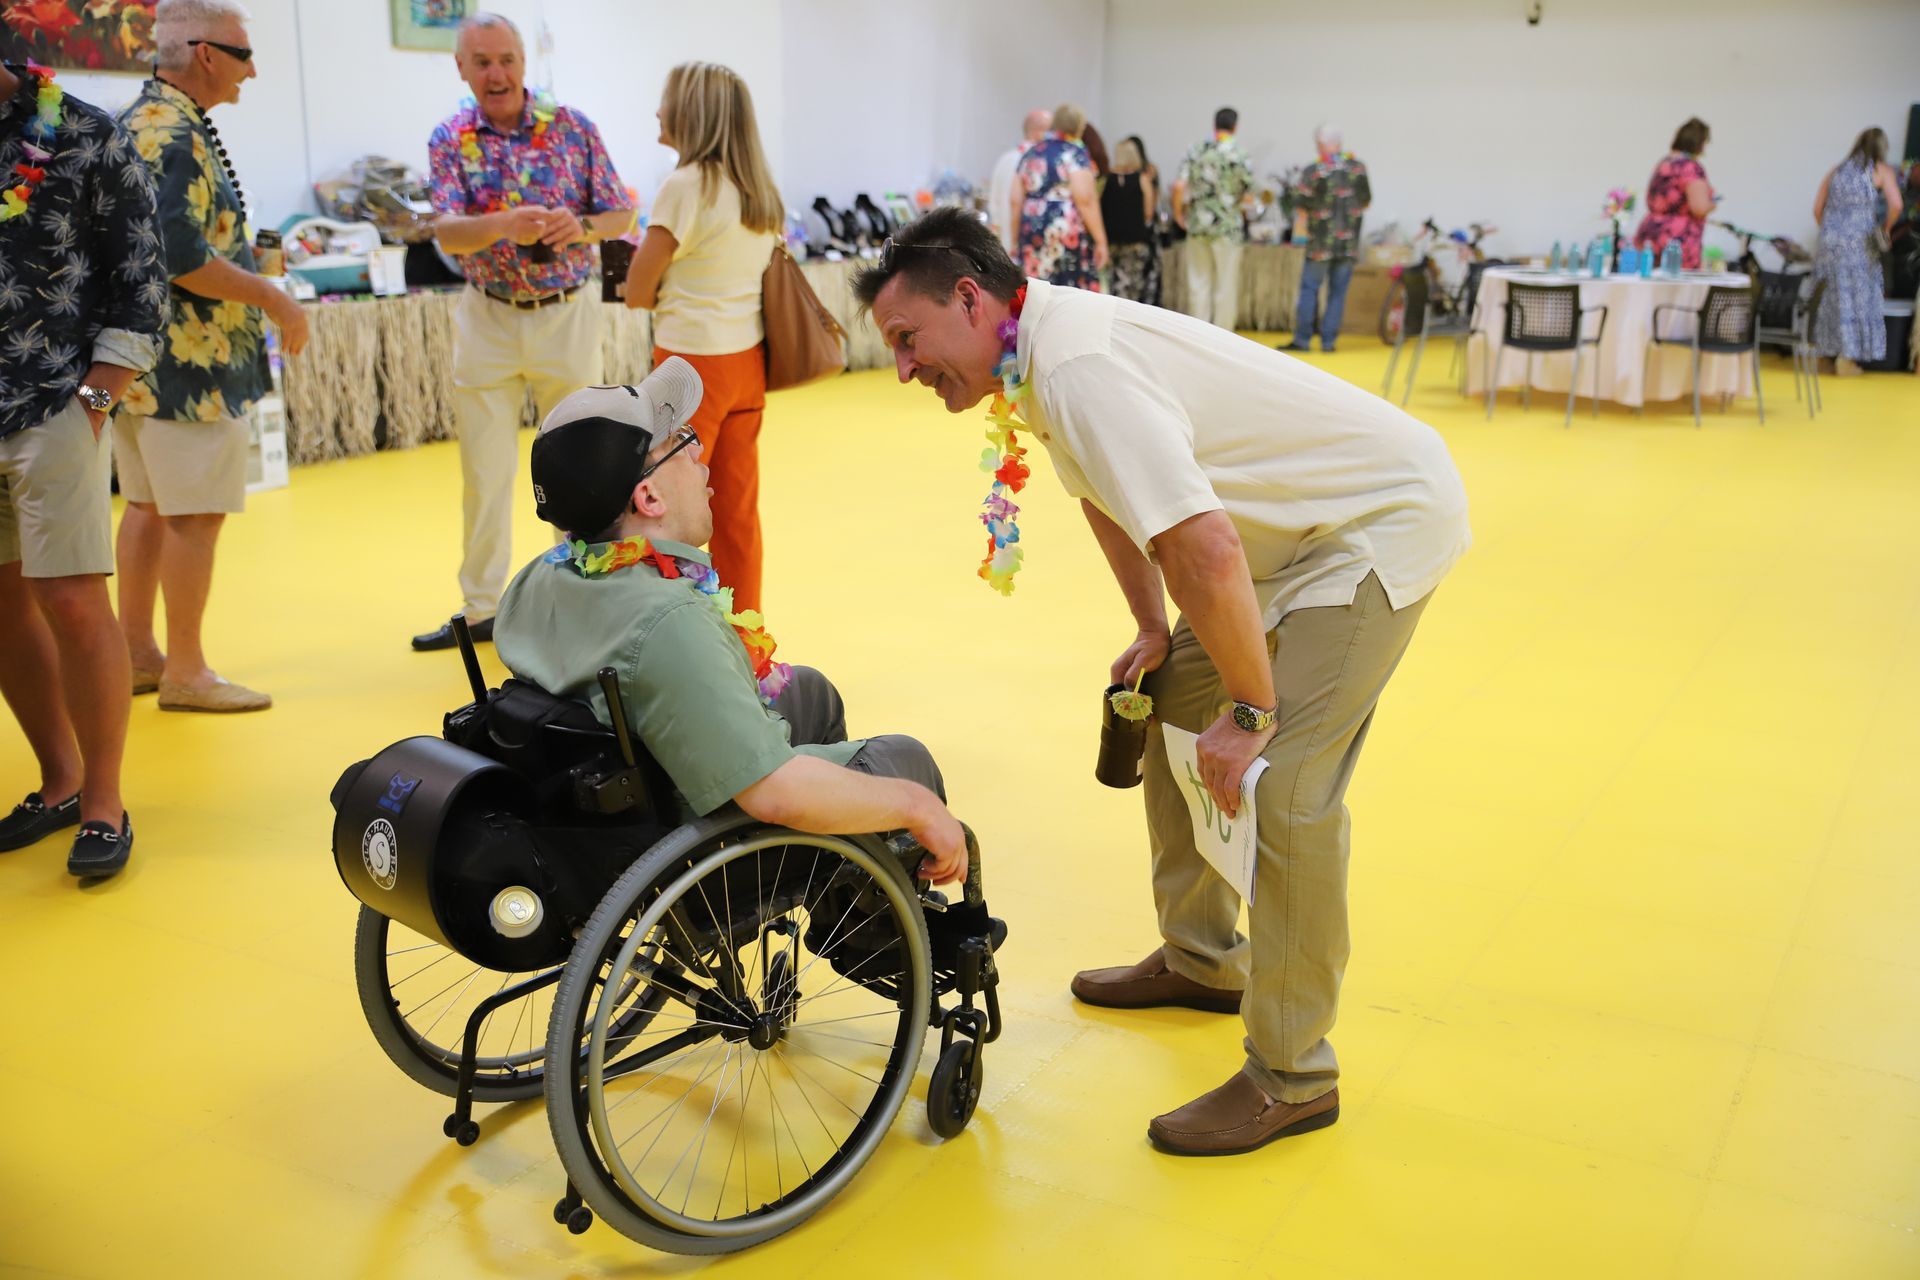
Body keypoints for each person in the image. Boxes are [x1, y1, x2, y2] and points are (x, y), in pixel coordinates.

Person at [854, 209, 1470, 1156]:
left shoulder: (1075, 365)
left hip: (1371, 524)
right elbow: (1107, 503)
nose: (903, 367)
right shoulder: (1035, 350)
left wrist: (1254, 711)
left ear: (970, 300)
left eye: (907, 339)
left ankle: (1293, 1076)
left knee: (1284, 786)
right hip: (1284, 538)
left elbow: (1205, 548)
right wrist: (1152, 630)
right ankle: (1204, 958)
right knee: (1172, 702)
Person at [492, 370, 968, 885]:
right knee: (906, 761)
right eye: (682, 444)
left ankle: (844, 884)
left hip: (602, 804)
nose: (700, 454)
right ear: (649, 498)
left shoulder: (535, 580)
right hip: (692, 849)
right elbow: (773, 792)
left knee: (811, 694)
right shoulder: (669, 622)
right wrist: (915, 805)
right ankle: (857, 902)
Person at [113, 0, 311, 713]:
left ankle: (137, 653)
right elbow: (181, 254)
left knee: (145, 505)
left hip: (133, 364)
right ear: (205, 54)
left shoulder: (139, 119)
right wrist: (274, 298)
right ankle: (187, 671)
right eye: (243, 55)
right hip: (188, 365)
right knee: (194, 516)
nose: (251, 71)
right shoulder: (177, 135)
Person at [416, 12, 635, 652]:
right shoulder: (449, 137)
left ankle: (579, 598)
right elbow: (446, 232)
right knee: (483, 474)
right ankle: (483, 607)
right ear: (461, 68)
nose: (497, 73)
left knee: (579, 463)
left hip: (567, 314)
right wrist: (503, 225)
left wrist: (581, 226)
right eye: (482, 61)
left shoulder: (573, 126)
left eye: (507, 59)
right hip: (487, 316)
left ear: (523, 62)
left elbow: (621, 213)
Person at [0, 60, 166, 878]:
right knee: (2, 603)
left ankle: (104, 800)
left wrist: (93, 404)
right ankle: (59, 780)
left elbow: (142, 283)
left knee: (69, 598)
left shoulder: (85, 134)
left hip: (54, 402)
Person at [622, 62, 779, 614]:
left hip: (688, 370)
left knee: (661, 508)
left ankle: (666, 628)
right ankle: (746, 638)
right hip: (747, 365)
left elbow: (637, 290)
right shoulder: (758, 191)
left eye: (666, 101)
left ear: (691, 113)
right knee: (736, 513)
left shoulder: (685, 187)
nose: (658, 111)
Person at [1812, 127, 1904, 376]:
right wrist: (1885, 228)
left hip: (1829, 244)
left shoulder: (1837, 170)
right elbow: (1896, 204)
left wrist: (1832, 233)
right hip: (1859, 245)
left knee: (1828, 299)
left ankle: (1823, 358)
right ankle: (1847, 359)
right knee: (1856, 299)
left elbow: (1817, 209)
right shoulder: (1880, 170)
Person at [1287, 127, 1370, 354]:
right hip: (1348, 244)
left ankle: (1303, 339)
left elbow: (1300, 202)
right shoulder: (1357, 168)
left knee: (1309, 289)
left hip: (1319, 245)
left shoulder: (1314, 171)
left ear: (1322, 144)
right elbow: (1366, 200)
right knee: (1338, 293)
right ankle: (1328, 341)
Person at [1012, 101, 1107, 292]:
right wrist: (1101, 241)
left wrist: (1014, 239)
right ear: (1078, 127)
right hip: (1062, 227)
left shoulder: (1031, 153)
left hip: (1032, 225)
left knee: (1035, 288)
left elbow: (1015, 200)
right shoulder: (1074, 154)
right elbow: (1085, 199)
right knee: (1065, 291)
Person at [1173, 107, 1254, 329]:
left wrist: (1178, 214)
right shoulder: (1239, 153)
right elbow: (1248, 194)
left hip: (1198, 225)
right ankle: (1223, 336)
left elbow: (1179, 186)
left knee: (1198, 284)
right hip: (1228, 228)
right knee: (1225, 285)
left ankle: (1199, 335)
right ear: (1235, 126)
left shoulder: (1196, 150)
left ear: (1214, 124)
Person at [1632, 117, 1716, 271]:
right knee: (1676, 285)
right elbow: (1699, 207)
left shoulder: (1664, 163)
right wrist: (1712, 203)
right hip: (1677, 240)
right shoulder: (1690, 167)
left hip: (1650, 234)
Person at [1102, 136, 1158, 303]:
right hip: (1135, 239)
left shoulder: (1106, 180)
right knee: (1132, 284)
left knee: (1111, 282)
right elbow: (1149, 212)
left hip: (1111, 239)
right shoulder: (1142, 179)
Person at [988, 108, 1050, 255]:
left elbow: (994, 202)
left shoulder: (1005, 159)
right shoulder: (1039, 162)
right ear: (1039, 131)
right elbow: (1017, 202)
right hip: (1028, 243)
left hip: (1004, 242)